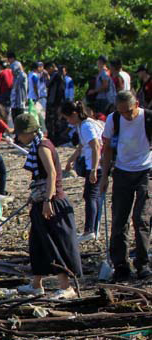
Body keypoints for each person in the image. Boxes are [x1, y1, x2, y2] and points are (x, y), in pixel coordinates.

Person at [13, 113, 82, 299]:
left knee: (55, 244)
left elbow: (52, 174)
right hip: (41, 199)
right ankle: (36, 284)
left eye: (20, 134)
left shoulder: (43, 147)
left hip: (52, 202)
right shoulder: (38, 145)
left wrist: (48, 201)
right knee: (37, 243)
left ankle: (66, 286)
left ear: (28, 132)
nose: (18, 138)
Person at [99, 90, 152, 281]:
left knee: (141, 219)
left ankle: (142, 264)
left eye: (129, 111)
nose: (127, 116)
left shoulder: (148, 118)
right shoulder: (114, 120)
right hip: (121, 172)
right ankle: (121, 265)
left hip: (145, 171)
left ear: (137, 104)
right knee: (119, 220)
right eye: (122, 112)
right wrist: (104, 177)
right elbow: (107, 149)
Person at [62, 100, 104, 242]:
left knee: (90, 196)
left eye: (67, 118)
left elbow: (96, 146)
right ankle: (94, 229)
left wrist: (93, 168)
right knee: (94, 196)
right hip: (93, 165)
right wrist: (70, 160)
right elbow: (82, 146)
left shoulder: (86, 125)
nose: (67, 121)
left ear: (74, 114)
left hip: (96, 166)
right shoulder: (82, 125)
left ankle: (90, 230)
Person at [10, 61, 28, 126]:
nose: (12, 71)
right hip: (14, 103)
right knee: (14, 120)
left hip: (20, 103)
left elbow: (22, 75)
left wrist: (20, 68)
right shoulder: (15, 77)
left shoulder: (22, 75)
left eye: (13, 69)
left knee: (19, 120)